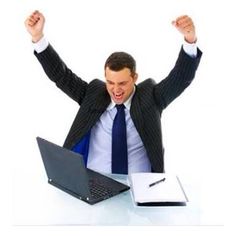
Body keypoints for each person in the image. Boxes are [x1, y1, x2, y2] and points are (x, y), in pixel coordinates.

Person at [25, 10, 202, 174]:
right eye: (110, 82)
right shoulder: (93, 94)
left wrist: (190, 40)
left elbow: (180, 78)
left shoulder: (151, 97)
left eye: (123, 83)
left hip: (140, 187)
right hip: (93, 181)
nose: (116, 90)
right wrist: (38, 37)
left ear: (135, 78)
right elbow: (61, 75)